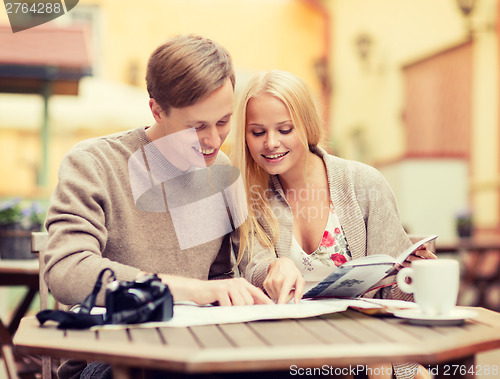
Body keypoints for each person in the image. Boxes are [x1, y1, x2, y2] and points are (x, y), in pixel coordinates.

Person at [44, 35, 272, 379]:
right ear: (156, 110)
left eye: (223, 122)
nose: (212, 141)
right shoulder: (94, 163)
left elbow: (226, 271)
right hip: (109, 359)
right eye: (196, 126)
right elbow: (67, 270)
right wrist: (189, 290)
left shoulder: (222, 172)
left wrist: (269, 271)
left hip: (199, 349)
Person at [232, 70, 435, 379]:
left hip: (364, 349)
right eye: (257, 132)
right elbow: (252, 268)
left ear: (307, 125)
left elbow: (397, 295)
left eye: (285, 129)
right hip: (286, 352)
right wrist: (274, 268)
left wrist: (417, 274)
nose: (271, 143)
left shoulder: (364, 183)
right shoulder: (250, 194)